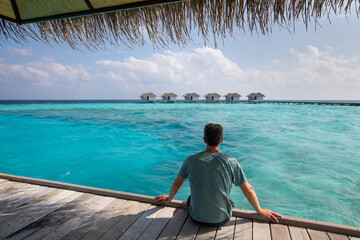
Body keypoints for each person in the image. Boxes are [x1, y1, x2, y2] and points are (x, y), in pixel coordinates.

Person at [155, 123, 282, 226]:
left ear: (204, 140)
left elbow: (177, 184)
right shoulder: (231, 161)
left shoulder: (191, 160)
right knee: (228, 198)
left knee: (191, 198)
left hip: (196, 218)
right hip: (222, 220)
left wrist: (169, 198)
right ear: (221, 140)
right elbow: (248, 189)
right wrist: (260, 210)